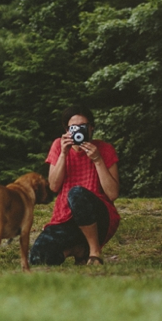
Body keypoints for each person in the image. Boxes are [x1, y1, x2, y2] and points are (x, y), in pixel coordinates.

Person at [29, 105, 120, 266]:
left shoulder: (104, 149)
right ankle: (78, 250)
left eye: (83, 127)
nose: (79, 131)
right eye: (74, 128)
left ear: (91, 128)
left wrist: (98, 160)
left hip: (98, 216)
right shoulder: (59, 145)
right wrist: (64, 153)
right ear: (67, 130)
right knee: (37, 258)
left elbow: (112, 194)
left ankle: (94, 252)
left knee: (76, 193)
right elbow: (54, 187)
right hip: (67, 217)